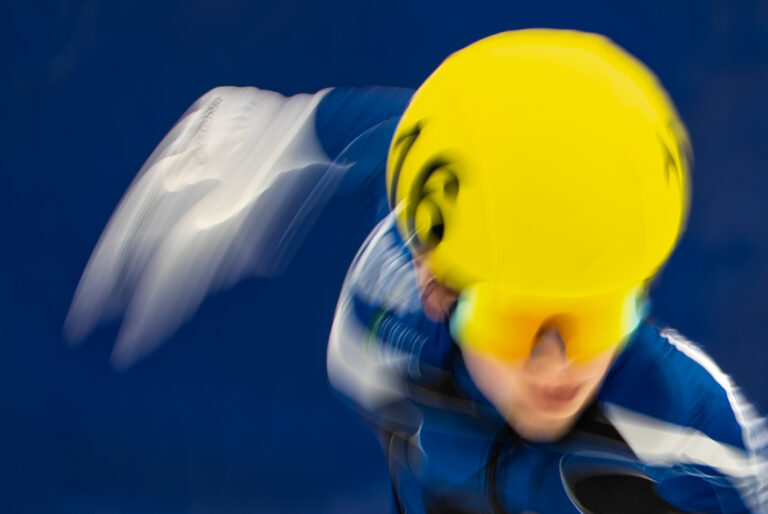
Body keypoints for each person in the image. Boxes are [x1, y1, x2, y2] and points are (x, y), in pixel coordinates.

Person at [326, 29, 768, 513]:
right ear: (434, 291)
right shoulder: (382, 320)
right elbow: (373, 137)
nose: (555, 366)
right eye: (513, 322)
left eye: (595, 317)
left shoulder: (692, 430)